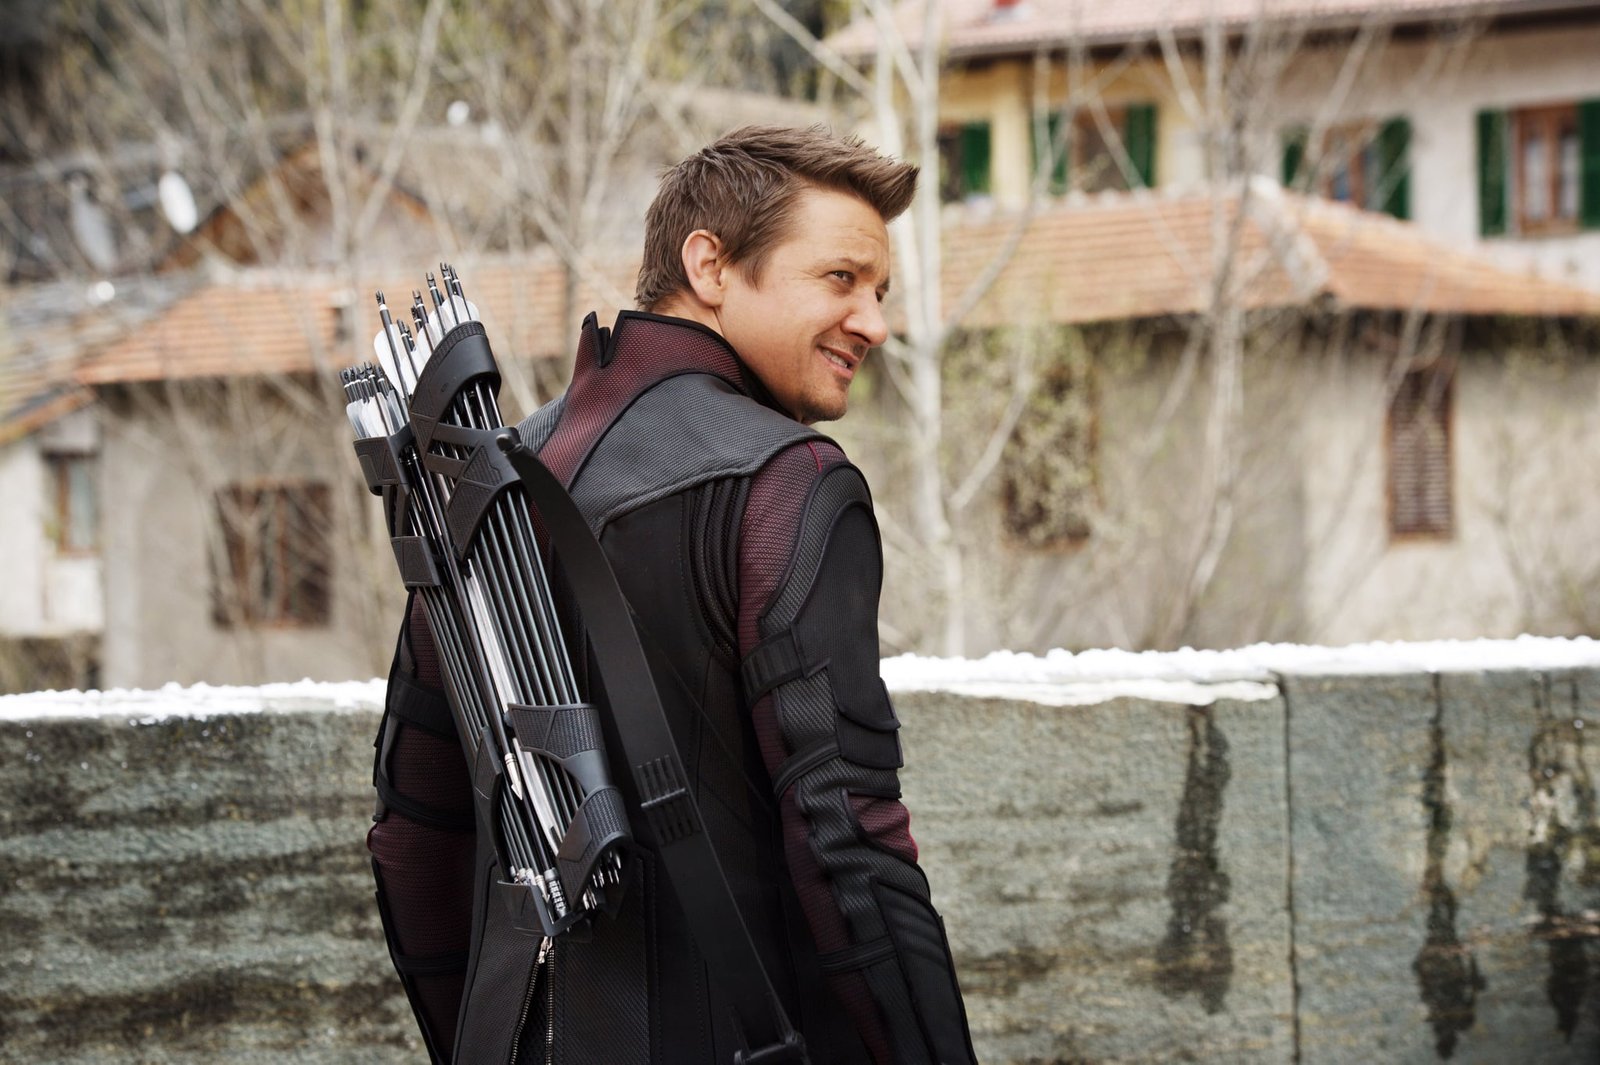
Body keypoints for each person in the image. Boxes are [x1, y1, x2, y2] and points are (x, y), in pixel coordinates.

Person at [367, 125, 977, 1065]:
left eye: (880, 292)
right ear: (711, 265)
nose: (874, 323)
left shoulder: (489, 485)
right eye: (842, 279)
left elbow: (412, 836)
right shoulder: (790, 484)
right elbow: (848, 842)